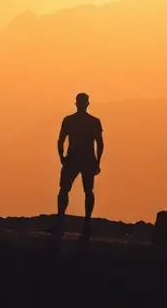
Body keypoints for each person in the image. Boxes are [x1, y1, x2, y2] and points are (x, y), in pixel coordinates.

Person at [56, 92, 103, 237]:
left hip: (74, 158)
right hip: (85, 159)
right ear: (87, 103)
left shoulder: (70, 120)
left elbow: (60, 140)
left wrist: (62, 157)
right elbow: (100, 144)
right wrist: (97, 162)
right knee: (86, 191)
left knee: (66, 190)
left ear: (76, 103)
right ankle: (86, 221)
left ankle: (61, 218)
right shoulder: (93, 121)